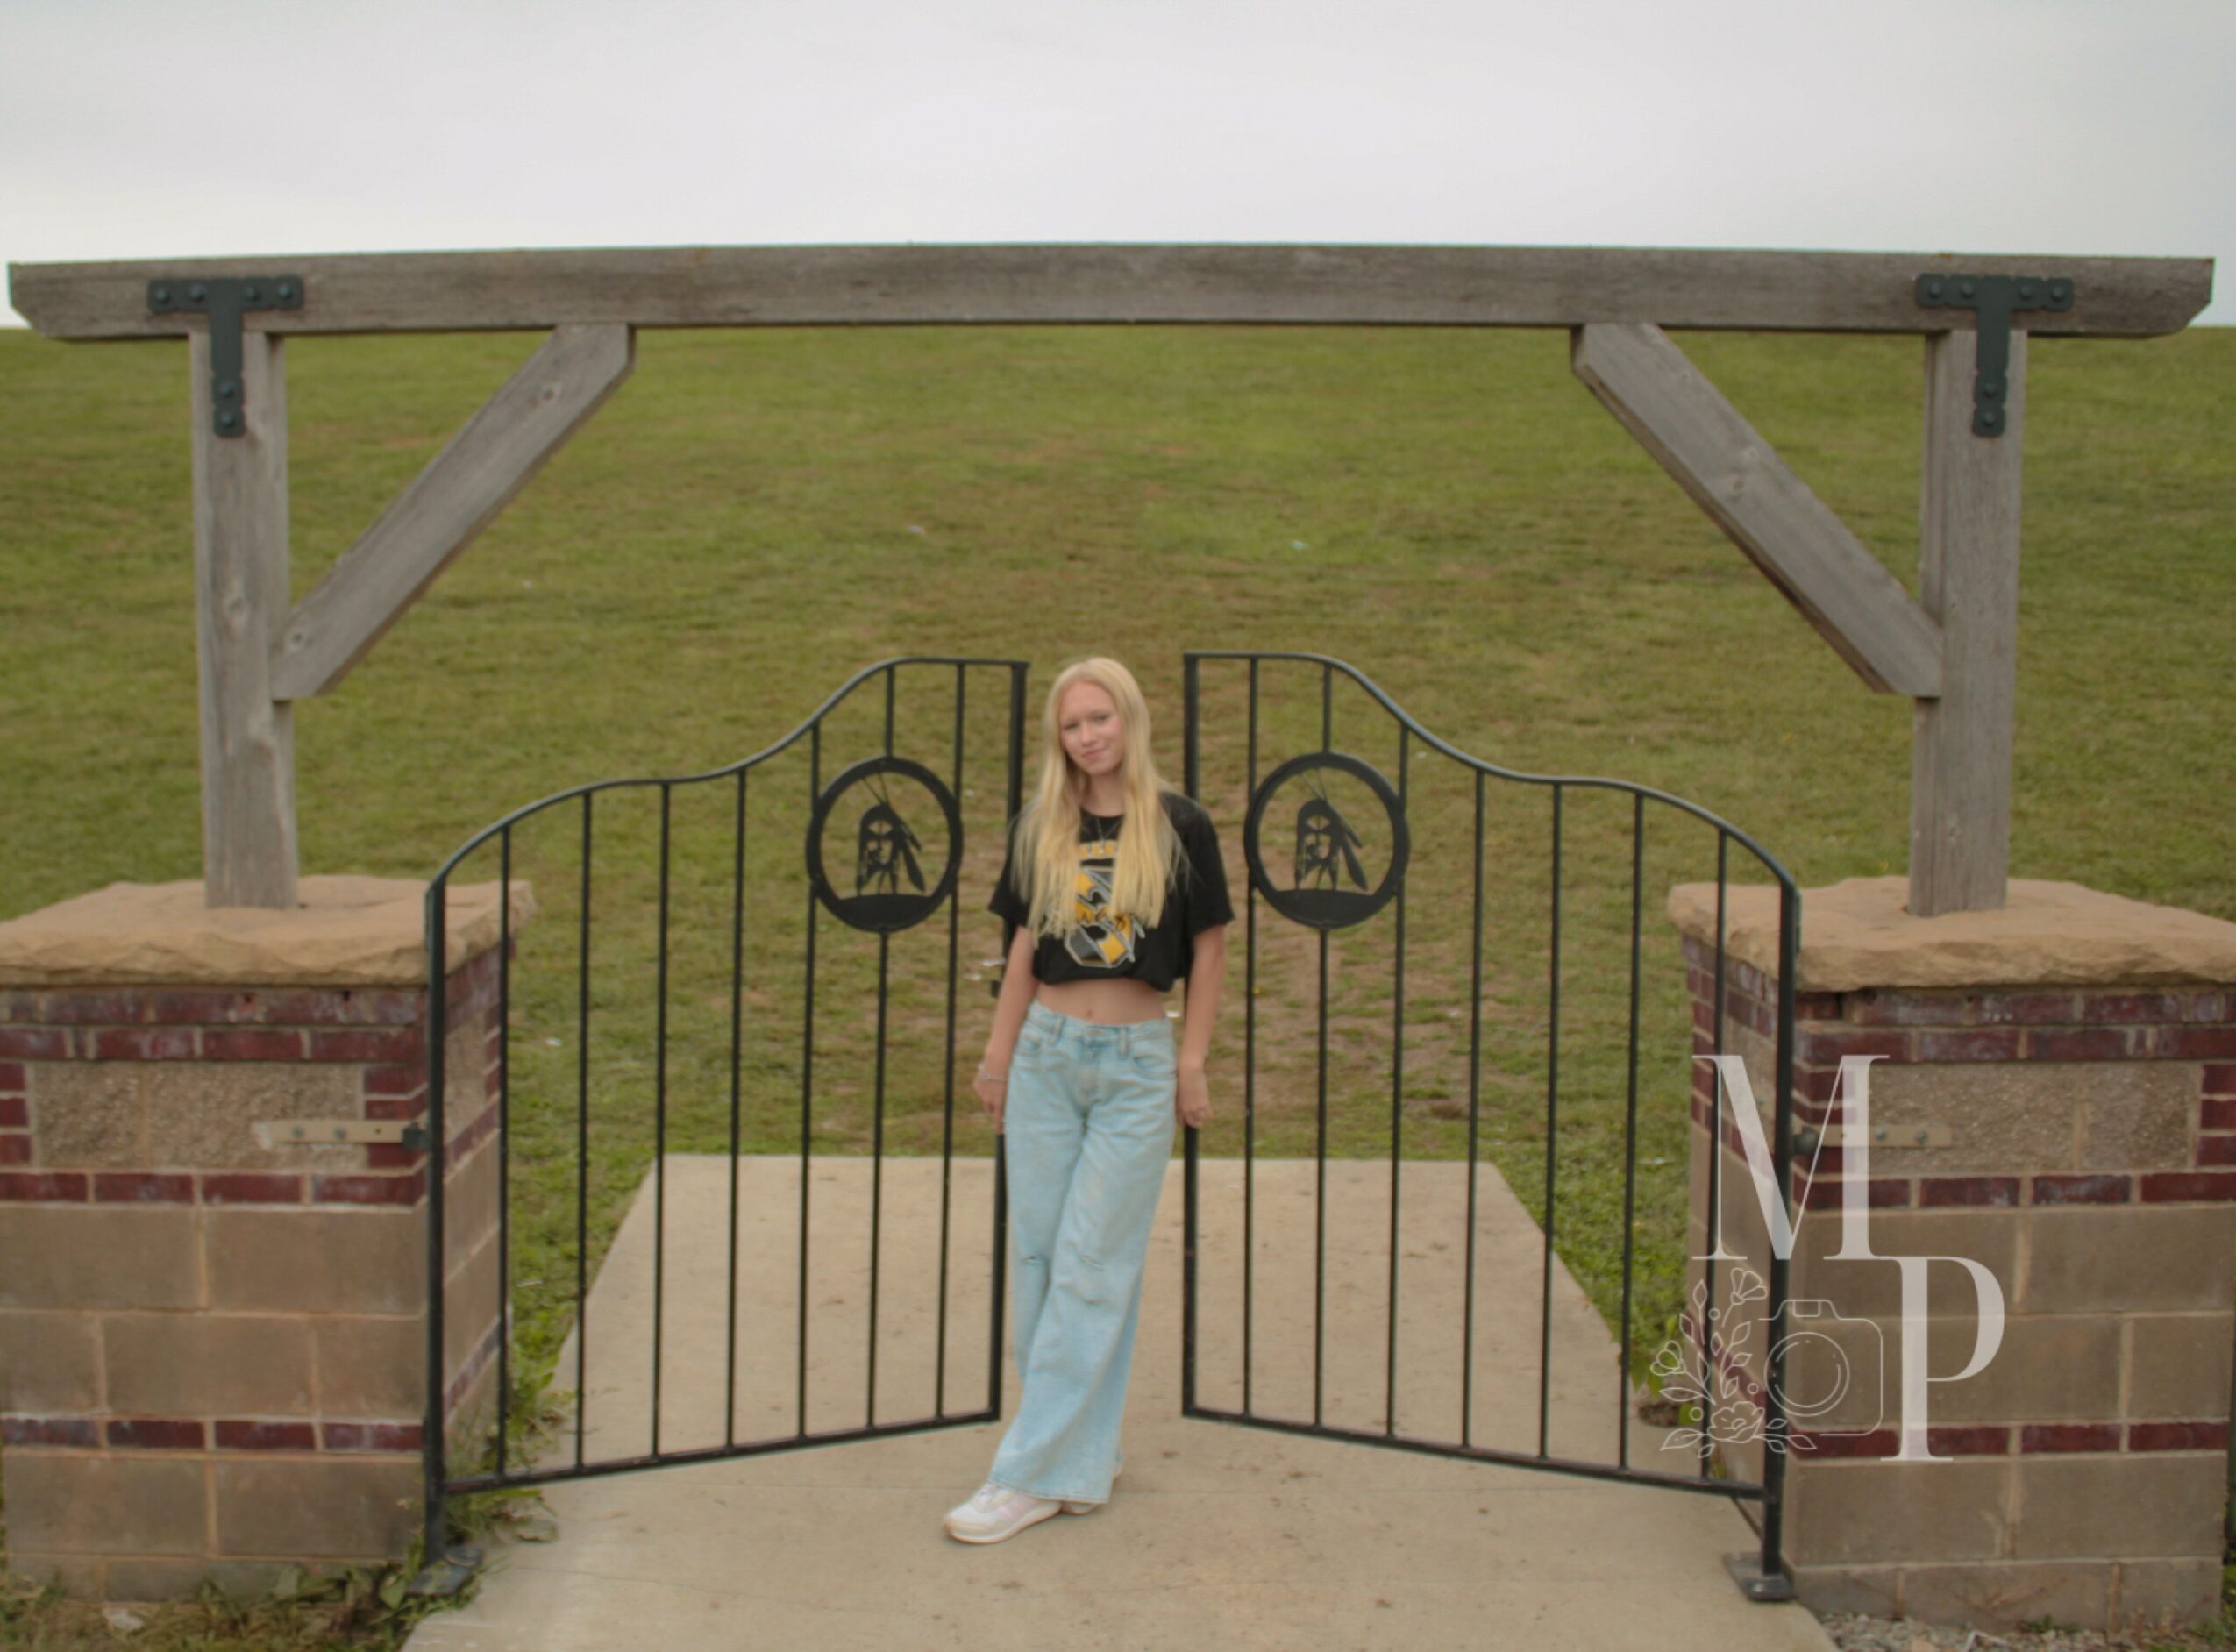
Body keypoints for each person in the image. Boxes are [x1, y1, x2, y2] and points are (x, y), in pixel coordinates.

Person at [942, 655, 1234, 1544]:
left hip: (1135, 1068)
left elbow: (1212, 948)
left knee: (1094, 1266)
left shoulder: (1180, 824)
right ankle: (1080, 1448)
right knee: (1038, 1261)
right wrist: (997, 1055)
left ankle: (1025, 1474)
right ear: (1058, 739)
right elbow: (1026, 943)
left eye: (1100, 718)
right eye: (1073, 725)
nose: (1089, 736)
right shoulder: (1044, 823)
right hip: (1045, 1059)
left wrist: (1191, 1061)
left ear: (1130, 720)